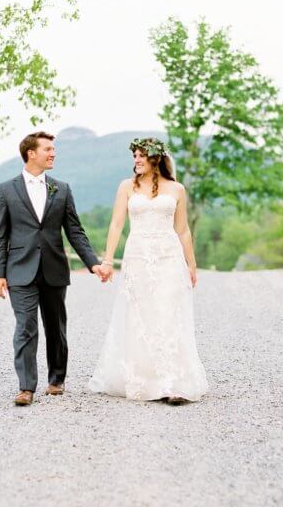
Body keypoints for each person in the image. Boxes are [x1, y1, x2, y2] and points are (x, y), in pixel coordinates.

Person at [0, 131, 111, 407]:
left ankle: (56, 379)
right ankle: (26, 387)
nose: (53, 153)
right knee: (25, 327)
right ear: (31, 153)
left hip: (54, 268)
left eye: (53, 149)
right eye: (48, 149)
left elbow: (75, 232)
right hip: (19, 270)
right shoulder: (6, 190)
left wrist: (93, 263)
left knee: (56, 327)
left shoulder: (62, 189)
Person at [87, 137, 209, 404]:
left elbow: (183, 229)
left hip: (168, 258)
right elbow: (117, 225)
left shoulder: (177, 189)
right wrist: (107, 260)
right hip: (138, 258)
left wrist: (191, 263)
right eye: (135, 156)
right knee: (142, 316)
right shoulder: (126, 187)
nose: (137, 160)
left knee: (168, 314)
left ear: (156, 159)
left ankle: (173, 383)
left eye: (142, 156)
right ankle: (146, 379)